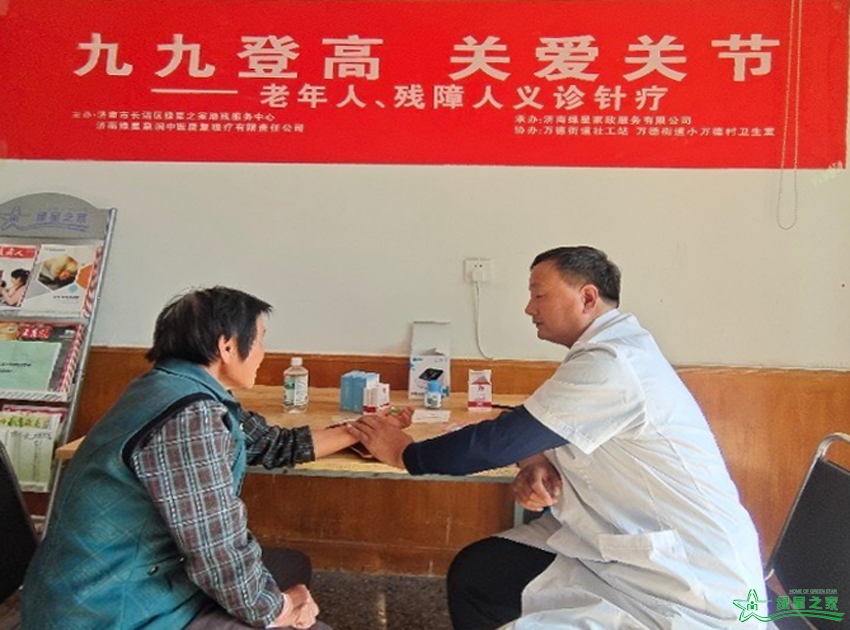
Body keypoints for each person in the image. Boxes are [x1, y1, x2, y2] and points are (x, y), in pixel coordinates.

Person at [348, 246, 766, 630]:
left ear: (587, 298)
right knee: (479, 574)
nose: (529, 307)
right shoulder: (606, 353)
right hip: (618, 551)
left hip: (685, 585)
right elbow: (535, 426)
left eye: (539, 294)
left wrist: (405, 452)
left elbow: (500, 440)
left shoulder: (614, 364)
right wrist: (535, 459)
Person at [21, 286, 410, 630]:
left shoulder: (170, 387)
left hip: (104, 589)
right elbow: (216, 550)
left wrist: (366, 430)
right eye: (260, 340)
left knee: (287, 567)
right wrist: (280, 608)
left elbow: (271, 444)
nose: (263, 353)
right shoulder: (189, 417)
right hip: (113, 612)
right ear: (227, 347)